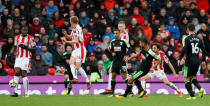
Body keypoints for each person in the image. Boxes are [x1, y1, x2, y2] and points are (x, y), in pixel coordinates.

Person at [61, 16, 91, 89]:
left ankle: (87, 80)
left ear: (71, 22)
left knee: (77, 67)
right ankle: (75, 78)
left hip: (80, 49)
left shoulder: (75, 29)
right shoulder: (76, 28)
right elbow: (72, 37)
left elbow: (76, 41)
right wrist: (65, 34)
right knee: (71, 62)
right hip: (75, 50)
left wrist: (66, 41)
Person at [179, 23, 207, 100]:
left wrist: (180, 58)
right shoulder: (199, 39)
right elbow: (204, 51)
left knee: (185, 79)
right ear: (195, 29)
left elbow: (184, 49)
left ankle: (192, 95)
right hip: (197, 61)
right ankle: (200, 89)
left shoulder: (186, 38)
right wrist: (203, 61)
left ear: (187, 30)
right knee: (193, 77)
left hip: (189, 61)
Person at [10, 27, 36, 98]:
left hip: (26, 57)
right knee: (16, 72)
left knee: (23, 72)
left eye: (26, 30)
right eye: (23, 30)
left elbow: (34, 48)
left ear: (27, 31)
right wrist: (11, 53)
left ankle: (27, 93)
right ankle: (15, 92)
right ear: (21, 30)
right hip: (18, 57)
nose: (25, 31)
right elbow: (15, 46)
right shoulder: (17, 37)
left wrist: (26, 48)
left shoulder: (31, 38)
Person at [109, 29, 129, 96]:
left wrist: (126, 55)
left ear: (120, 33)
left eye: (116, 33)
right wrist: (112, 53)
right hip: (115, 61)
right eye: (114, 33)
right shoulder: (112, 41)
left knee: (124, 76)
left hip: (122, 61)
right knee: (113, 75)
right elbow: (111, 49)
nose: (115, 35)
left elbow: (129, 49)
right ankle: (112, 92)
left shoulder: (123, 41)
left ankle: (130, 91)